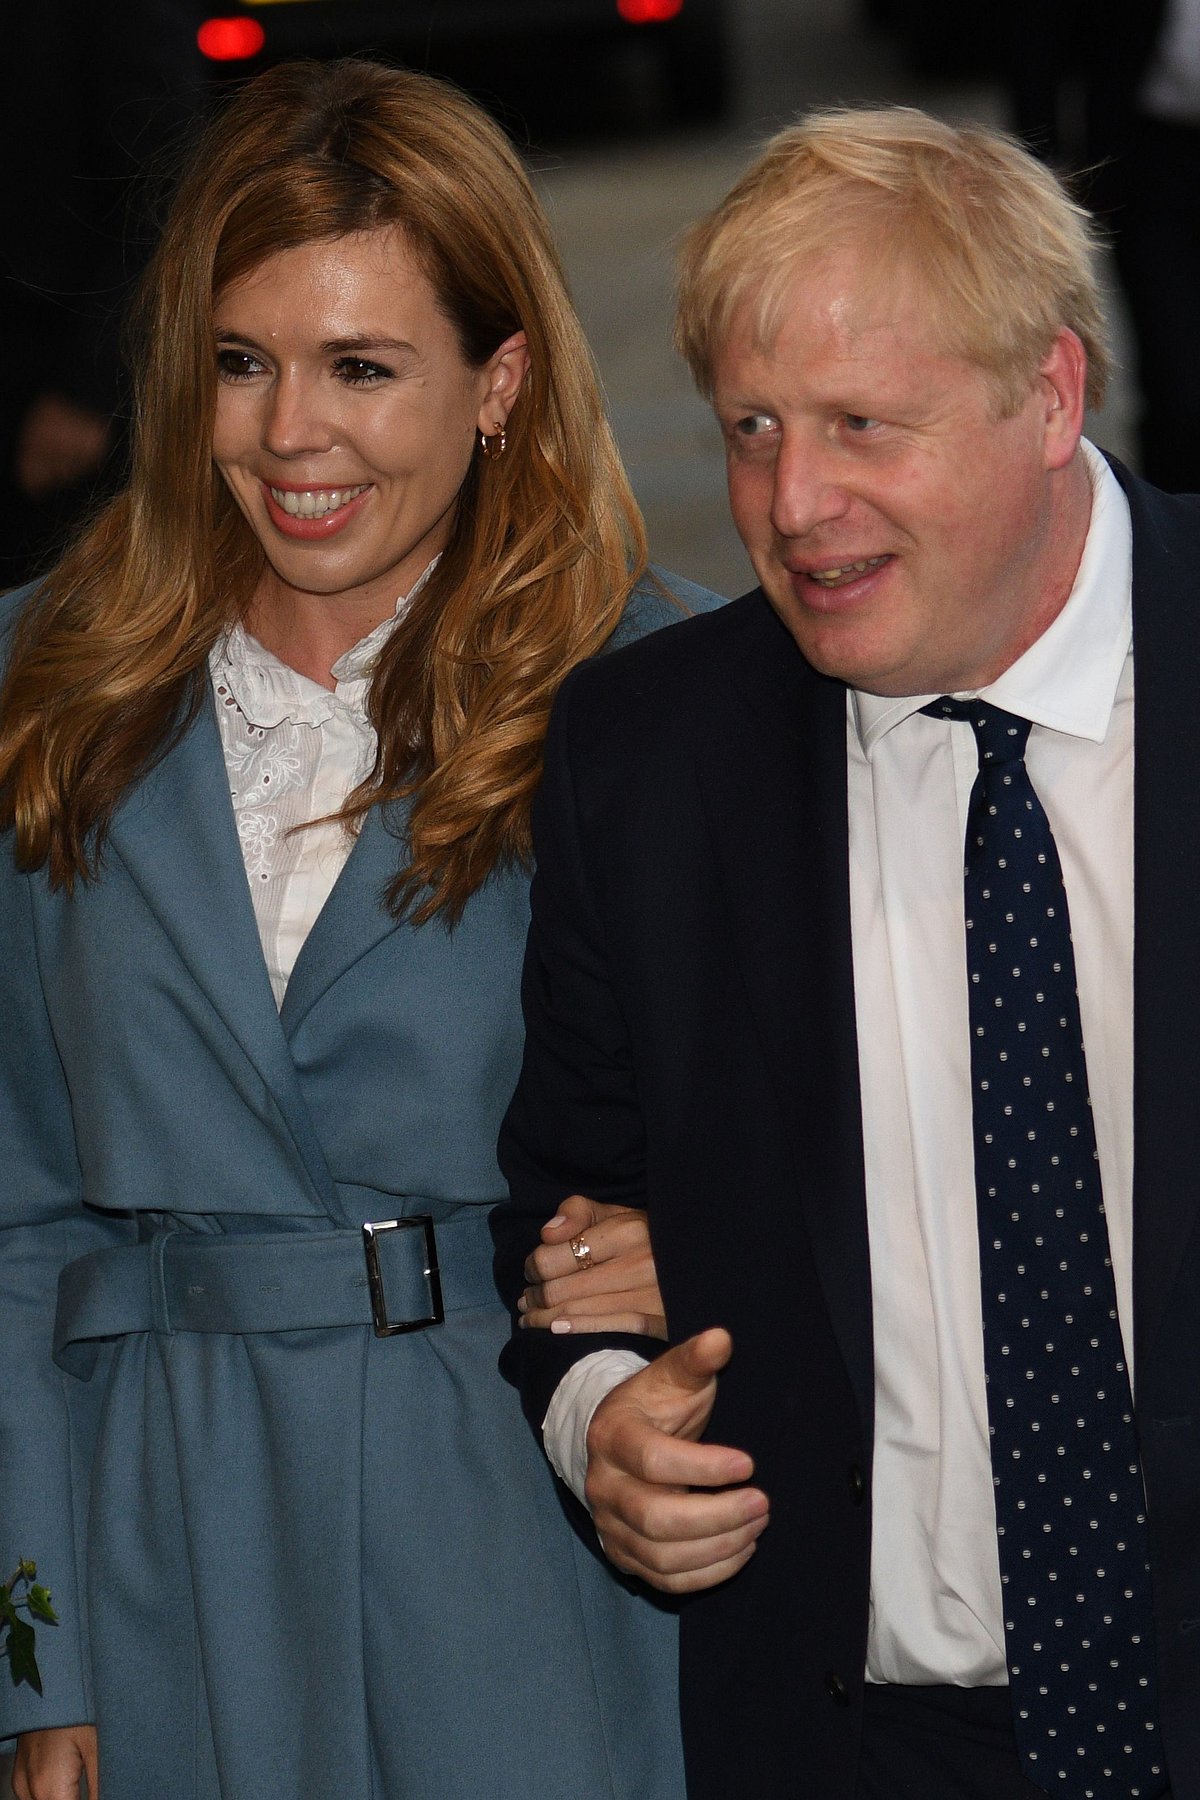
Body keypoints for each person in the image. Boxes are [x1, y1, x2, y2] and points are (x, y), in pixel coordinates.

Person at [0, 57, 721, 1800]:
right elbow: (10, 1213)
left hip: (527, 1527)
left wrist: (704, 1233)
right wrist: (30, 1658)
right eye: (242, 364)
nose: (289, 433)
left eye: (363, 368)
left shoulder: (666, 693)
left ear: (500, 381)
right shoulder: (43, 680)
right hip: (152, 1543)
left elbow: (833, 1126)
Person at [496, 107, 1200, 1800]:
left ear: (1049, 394)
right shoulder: (648, 761)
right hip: (856, 1743)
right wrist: (603, 1417)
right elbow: (566, 1222)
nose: (793, 504)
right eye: (750, 429)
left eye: (860, 427)